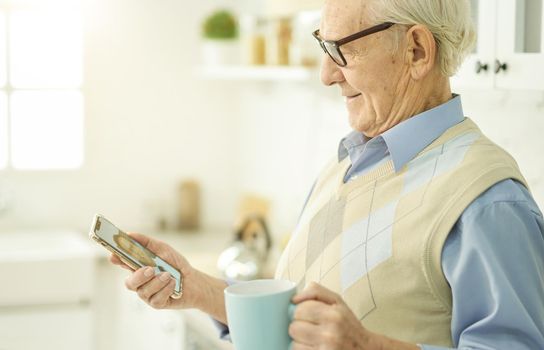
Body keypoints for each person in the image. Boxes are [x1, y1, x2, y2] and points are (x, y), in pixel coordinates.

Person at [110, 0, 544, 348]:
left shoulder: (487, 203)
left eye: (343, 49)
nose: (326, 75)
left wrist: (368, 346)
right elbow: (299, 322)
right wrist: (197, 288)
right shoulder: (346, 165)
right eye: (324, 46)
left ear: (416, 50)